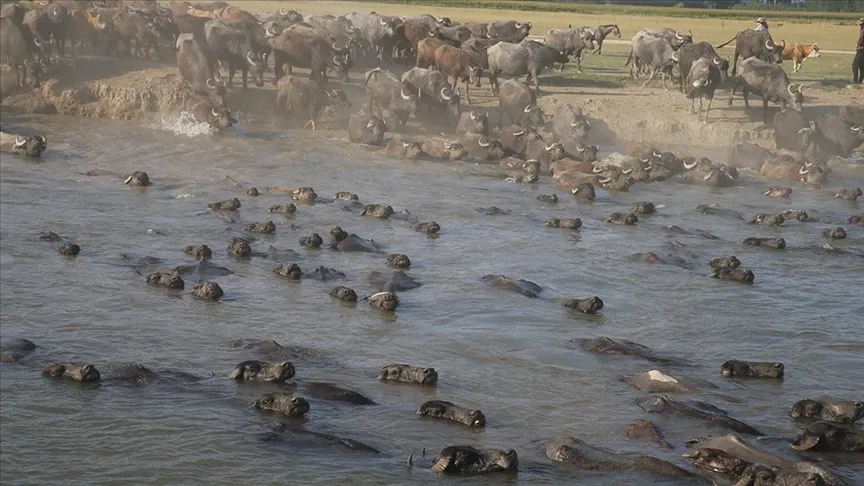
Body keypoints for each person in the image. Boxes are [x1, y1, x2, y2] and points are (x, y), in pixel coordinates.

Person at [855, 18, 864, 85]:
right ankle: (860, 80)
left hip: (861, 49)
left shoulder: (863, 30)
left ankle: (855, 80)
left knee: (854, 65)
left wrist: (858, 44)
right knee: (861, 65)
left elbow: (861, 38)